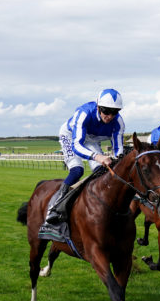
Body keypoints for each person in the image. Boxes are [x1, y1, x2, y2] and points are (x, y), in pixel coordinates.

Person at [45, 88, 125, 224]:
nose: (110, 116)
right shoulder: (84, 113)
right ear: (98, 107)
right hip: (70, 137)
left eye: (114, 112)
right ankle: (53, 208)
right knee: (77, 170)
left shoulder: (118, 123)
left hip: (91, 140)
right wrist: (98, 157)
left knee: (101, 172)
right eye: (106, 111)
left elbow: (119, 151)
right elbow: (77, 145)